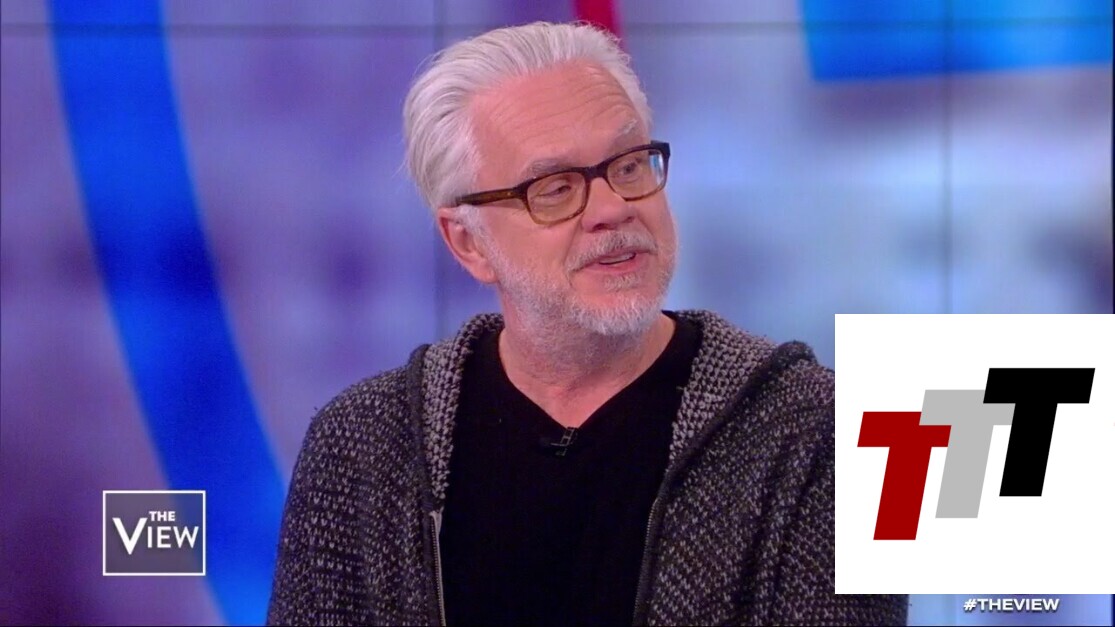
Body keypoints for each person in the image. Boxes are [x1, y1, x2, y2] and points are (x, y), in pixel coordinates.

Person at [268, 21, 906, 626]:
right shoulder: (361, 445)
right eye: (554, 188)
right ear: (468, 242)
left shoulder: (829, 430)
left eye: (628, 165)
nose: (612, 207)